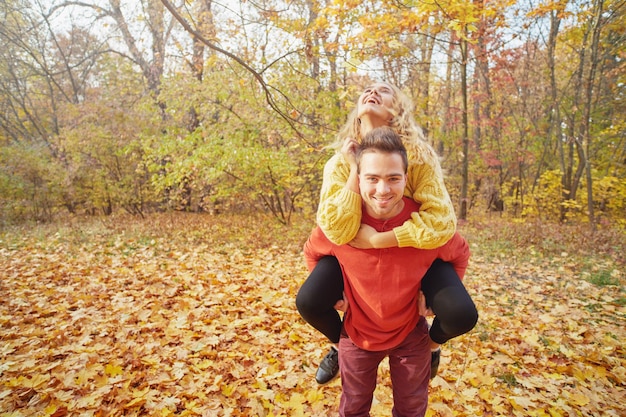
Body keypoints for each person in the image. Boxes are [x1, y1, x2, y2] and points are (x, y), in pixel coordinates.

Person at [296, 81, 478, 385]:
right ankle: (340, 347)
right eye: (366, 89)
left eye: (384, 89)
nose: (372, 92)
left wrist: (383, 238)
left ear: (398, 110)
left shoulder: (419, 158)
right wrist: (355, 166)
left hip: (412, 254)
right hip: (354, 257)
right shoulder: (338, 163)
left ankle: (430, 347)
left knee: (461, 314)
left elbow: (443, 222)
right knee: (309, 301)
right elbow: (336, 229)